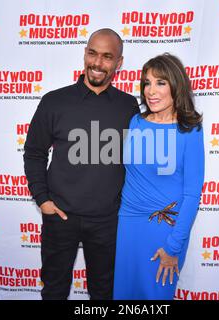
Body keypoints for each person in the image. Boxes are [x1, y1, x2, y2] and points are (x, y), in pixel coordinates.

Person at [23, 28, 140, 300]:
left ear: (119, 63)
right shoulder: (54, 101)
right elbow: (34, 153)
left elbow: (138, 162)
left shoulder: (128, 106)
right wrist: (43, 200)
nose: (97, 63)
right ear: (85, 54)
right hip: (59, 216)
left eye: (107, 57)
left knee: (103, 293)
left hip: (108, 221)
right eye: (92, 53)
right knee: (54, 291)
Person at [113, 53, 205, 300]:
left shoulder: (189, 130)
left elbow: (192, 193)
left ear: (177, 86)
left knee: (154, 297)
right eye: (147, 83)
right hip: (127, 224)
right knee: (122, 296)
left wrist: (174, 245)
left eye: (160, 83)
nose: (150, 91)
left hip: (164, 230)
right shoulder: (136, 122)